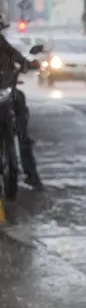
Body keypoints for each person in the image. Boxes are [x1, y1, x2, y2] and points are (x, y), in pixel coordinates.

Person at [0, 15, 43, 190]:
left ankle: (31, 173)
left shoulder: (4, 46)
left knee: (22, 131)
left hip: (6, 92)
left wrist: (28, 64)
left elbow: (19, 59)